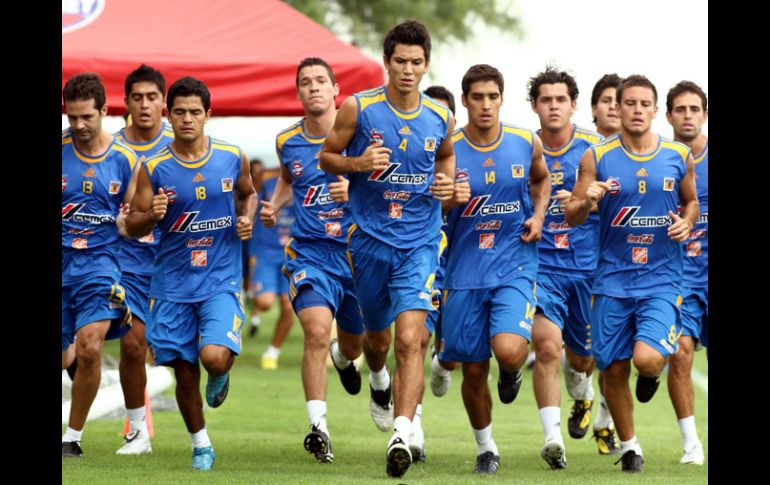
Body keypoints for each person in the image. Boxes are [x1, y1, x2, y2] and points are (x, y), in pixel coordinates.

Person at [319, 20, 456, 478]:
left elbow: (447, 157)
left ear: (427, 65)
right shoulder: (359, 108)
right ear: (387, 62)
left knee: (411, 338)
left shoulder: (440, 115)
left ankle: (403, 431)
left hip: (419, 242)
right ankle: (378, 384)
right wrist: (356, 163)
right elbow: (326, 157)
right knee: (376, 341)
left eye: (417, 63)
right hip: (370, 240)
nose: (408, 70)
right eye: (400, 61)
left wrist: (445, 184)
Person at [565, 74, 699, 473]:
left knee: (647, 359)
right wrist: (586, 200)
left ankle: (653, 372)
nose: (637, 111)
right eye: (630, 103)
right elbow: (572, 214)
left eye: (645, 104)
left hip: (661, 279)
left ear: (655, 111)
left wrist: (687, 223)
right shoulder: (596, 156)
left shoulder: (677, 155)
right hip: (612, 281)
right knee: (614, 367)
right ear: (617, 108)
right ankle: (630, 447)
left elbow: (690, 203)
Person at [126, 76, 257, 471]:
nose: (186, 119)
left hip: (220, 278)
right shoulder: (154, 167)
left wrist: (247, 218)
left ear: (208, 115)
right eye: (179, 111)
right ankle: (201, 445)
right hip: (171, 285)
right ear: (169, 115)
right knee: (184, 373)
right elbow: (133, 225)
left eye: (194, 112)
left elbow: (248, 193)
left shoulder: (233, 156)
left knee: (213, 358)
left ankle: (221, 372)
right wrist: (152, 215)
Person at [439, 64, 550, 475]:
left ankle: (511, 369)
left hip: (514, 263)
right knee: (471, 368)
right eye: (477, 97)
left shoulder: (525, 141)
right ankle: (486, 447)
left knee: (507, 349)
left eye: (493, 97)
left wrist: (539, 215)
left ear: (502, 99)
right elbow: (428, 206)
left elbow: (542, 181)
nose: (486, 105)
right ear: (464, 100)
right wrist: (449, 198)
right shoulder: (447, 147)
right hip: (464, 270)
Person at [260, 57, 366, 464]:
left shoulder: (360, 133)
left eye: (321, 80)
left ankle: (345, 358)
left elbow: (384, 183)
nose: (314, 87)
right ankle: (319, 428)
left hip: (357, 253)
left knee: (355, 343)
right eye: (305, 82)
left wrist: (352, 188)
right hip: (311, 253)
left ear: (336, 89)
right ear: (299, 92)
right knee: (317, 332)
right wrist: (273, 204)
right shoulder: (287, 140)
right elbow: (288, 179)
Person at [527, 67, 619, 469]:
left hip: (588, 269)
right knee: (547, 347)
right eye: (545, 99)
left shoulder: (597, 151)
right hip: (539, 267)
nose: (553, 106)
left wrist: (587, 201)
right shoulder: (522, 148)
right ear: (535, 106)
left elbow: (620, 204)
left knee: (583, 358)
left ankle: (581, 392)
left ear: (574, 105)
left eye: (560, 99)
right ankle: (552, 439)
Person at [62, 72, 136, 458]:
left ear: (105, 111)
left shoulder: (125, 160)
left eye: (86, 117)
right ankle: (75, 368)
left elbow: (139, 215)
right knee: (67, 355)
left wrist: (130, 222)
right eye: (71, 117)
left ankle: (72, 438)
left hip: (100, 263)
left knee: (91, 347)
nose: (78, 125)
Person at [113, 64, 175, 455]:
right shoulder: (111, 148)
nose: (145, 104)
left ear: (164, 104)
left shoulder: (183, 143)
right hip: (127, 262)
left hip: (179, 263)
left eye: (152, 97)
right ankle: (138, 431)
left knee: (186, 352)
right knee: (133, 346)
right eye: (137, 97)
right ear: (126, 103)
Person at [402, 85, 463, 462]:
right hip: (423, 259)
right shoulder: (408, 153)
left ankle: (444, 363)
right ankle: (413, 430)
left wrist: (459, 195)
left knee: (451, 352)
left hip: (464, 265)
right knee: (415, 341)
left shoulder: (467, 154)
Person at [665, 80, 708, 466]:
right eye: (681, 109)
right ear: (669, 116)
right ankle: (692, 443)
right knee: (680, 354)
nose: (688, 116)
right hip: (684, 278)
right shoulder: (662, 161)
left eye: (695, 109)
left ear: (705, 115)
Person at [250, 162, 296, 370]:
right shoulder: (267, 185)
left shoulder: (306, 186)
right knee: (265, 302)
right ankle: (253, 306)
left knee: (288, 305)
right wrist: (252, 254)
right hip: (266, 252)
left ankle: (272, 352)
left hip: (291, 252)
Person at [591, 74, 623, 138]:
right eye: (606, 101)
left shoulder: (641, 147)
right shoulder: (583, 146)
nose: (612, 106)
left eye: (618, 102)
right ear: (594, 109)